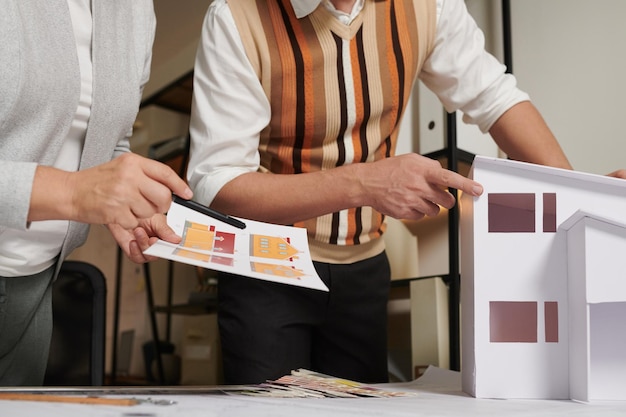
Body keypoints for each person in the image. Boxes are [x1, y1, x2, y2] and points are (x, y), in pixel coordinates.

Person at [187, 0, 623, 384]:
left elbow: (494, 96)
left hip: (364, 267)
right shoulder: (235, 17)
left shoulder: (427, 6)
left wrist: (579, 197)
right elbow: (217, 184)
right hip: (264, 265)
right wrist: (365, 182)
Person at [0, 0, 193, 386]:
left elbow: (112, 138)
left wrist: (123, 200)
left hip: (35, 284)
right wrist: (74, 192)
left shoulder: (138, 11)